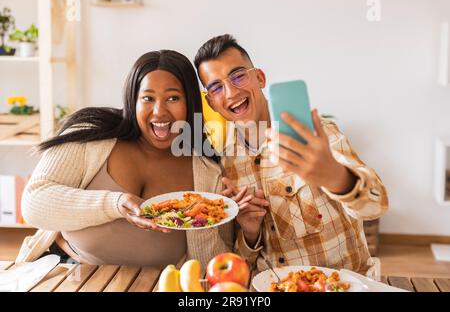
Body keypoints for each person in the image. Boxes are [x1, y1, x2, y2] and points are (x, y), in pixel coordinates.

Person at [194, 34, 388, 274]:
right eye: (216, 87)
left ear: (259, 78)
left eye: (238, 76)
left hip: (341, 285)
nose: (231, 92)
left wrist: (336, 176)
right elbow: (242, 265)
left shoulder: (316, 135)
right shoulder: (226, 162)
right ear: (211, 102)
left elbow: (376, 205)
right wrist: (250, 234)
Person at [20, 50, 233, 268]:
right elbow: (33, 203)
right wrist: (115, 203)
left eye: (173, 98)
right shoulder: (91, 134)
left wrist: (203, 218)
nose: (159, 112)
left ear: (190, 103)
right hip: (67, 271)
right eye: (148, 98)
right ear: (133, 100)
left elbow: (216, 266)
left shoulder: (208, 173)